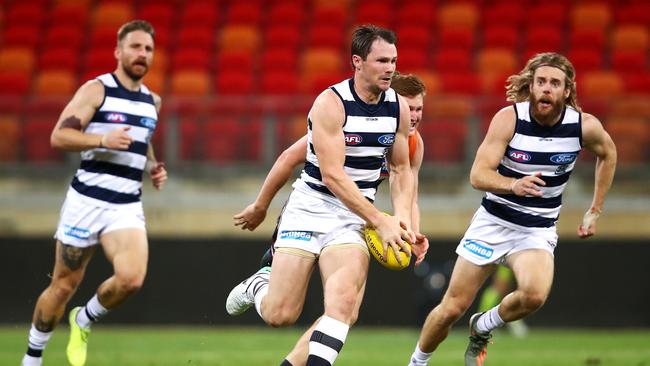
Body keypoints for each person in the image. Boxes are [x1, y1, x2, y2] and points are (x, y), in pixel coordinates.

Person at [226, 24, 420, 366]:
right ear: (357, 62)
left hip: (352, 218)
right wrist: (380, 220)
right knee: (280, 314)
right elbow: (332, 176)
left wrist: (402, 221)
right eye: (381, 61)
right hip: (309, 208)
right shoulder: (330, 104)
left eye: (393, 60)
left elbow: (401, 171)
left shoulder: (398, 108)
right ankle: (260, 285)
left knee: (344, 304)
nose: (390, 68)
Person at [407, 52, 617, 366]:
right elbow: (478, 175)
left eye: (555, 83)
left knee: (534, 295)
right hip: (493, 222)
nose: (547, 88)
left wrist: (595, 209)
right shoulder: (510, 119)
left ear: (567, 91)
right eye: (541, 82)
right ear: (530, 86)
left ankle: (483, 325)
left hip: (535, 229)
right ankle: (417, 363)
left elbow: (608, 154)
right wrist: (512, 185)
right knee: (451, 308)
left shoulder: (582, 127)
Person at [20, 20, 166, 366]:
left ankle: (83, 319)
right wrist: (101, 139)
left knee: (131, 279)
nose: (142, 54)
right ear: (118, 51)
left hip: (126, 204)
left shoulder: (152, 102)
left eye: (147, 49)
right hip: (87, 200)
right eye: (135, 47)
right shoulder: (96, 90)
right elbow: (59, 136)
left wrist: (152, 166)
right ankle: (32, 357)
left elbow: (141, 141)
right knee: (63, 287)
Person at [477, 265, 528, 338]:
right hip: (508, 256)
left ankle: (513, 320)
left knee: (506, 288)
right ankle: (483, 320)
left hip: (517, 256)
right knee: (499, 286)